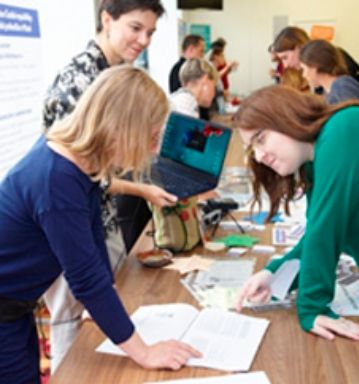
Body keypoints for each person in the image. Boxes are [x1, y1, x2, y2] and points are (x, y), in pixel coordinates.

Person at [0, 65, 201, 384]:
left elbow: (92, 239)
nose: (151, 149)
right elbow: (84, 277)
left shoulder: (78, 162)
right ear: (121, 128)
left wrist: (102, 301)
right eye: (149, 137)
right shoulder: (57, 179)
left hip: (16, 304)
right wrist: (144, 352)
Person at [42, 0, 177, 371]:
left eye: (150, 32)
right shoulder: (80, 84)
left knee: (96, 316)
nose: (144, 40)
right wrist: (145, 352)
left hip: (90, 226)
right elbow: (87, 173)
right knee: (74, 332)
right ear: (106, 19)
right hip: (60, 241)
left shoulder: (116, 72)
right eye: (136, 28)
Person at [234, 85, 359, 341]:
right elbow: (320, 231)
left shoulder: (345, 128)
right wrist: (275, 274)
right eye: (252, 148)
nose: (259, 156)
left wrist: (312, 308)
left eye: (260, 139)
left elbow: (326, 229)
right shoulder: (316, 163)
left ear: (286, 117)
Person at [299, 39, 359, 104]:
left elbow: (354, 118)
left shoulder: (342, 86)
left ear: (314, 66)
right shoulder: (328, 90)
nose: (304, 75)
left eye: (304, 69)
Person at [209, 37, 238, 101]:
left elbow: (225, 71)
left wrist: (230, 67)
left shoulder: (220, 58)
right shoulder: (211, 64)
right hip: (219, 91)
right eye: (221, 56)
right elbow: (216, 75)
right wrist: (228, 66)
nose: (223, 57)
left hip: (223, 88)